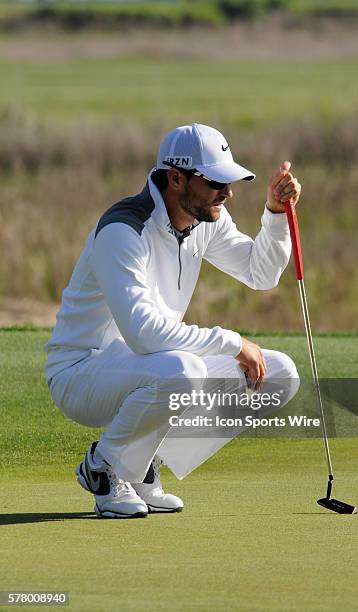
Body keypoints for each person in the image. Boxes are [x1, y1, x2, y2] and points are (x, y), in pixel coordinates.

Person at [45, 123, 302, 519]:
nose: (228, 192)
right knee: (184, 370)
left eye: (230, 181)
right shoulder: (124, 229)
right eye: (216, 181)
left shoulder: (206, 220)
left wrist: (273, 213)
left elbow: (260, 273)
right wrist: (233, 343)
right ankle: (104, 467)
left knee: (280, 373)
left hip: (150, 367)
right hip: (81, 373)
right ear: (177, 178)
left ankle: (142, 465)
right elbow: (144, 334)